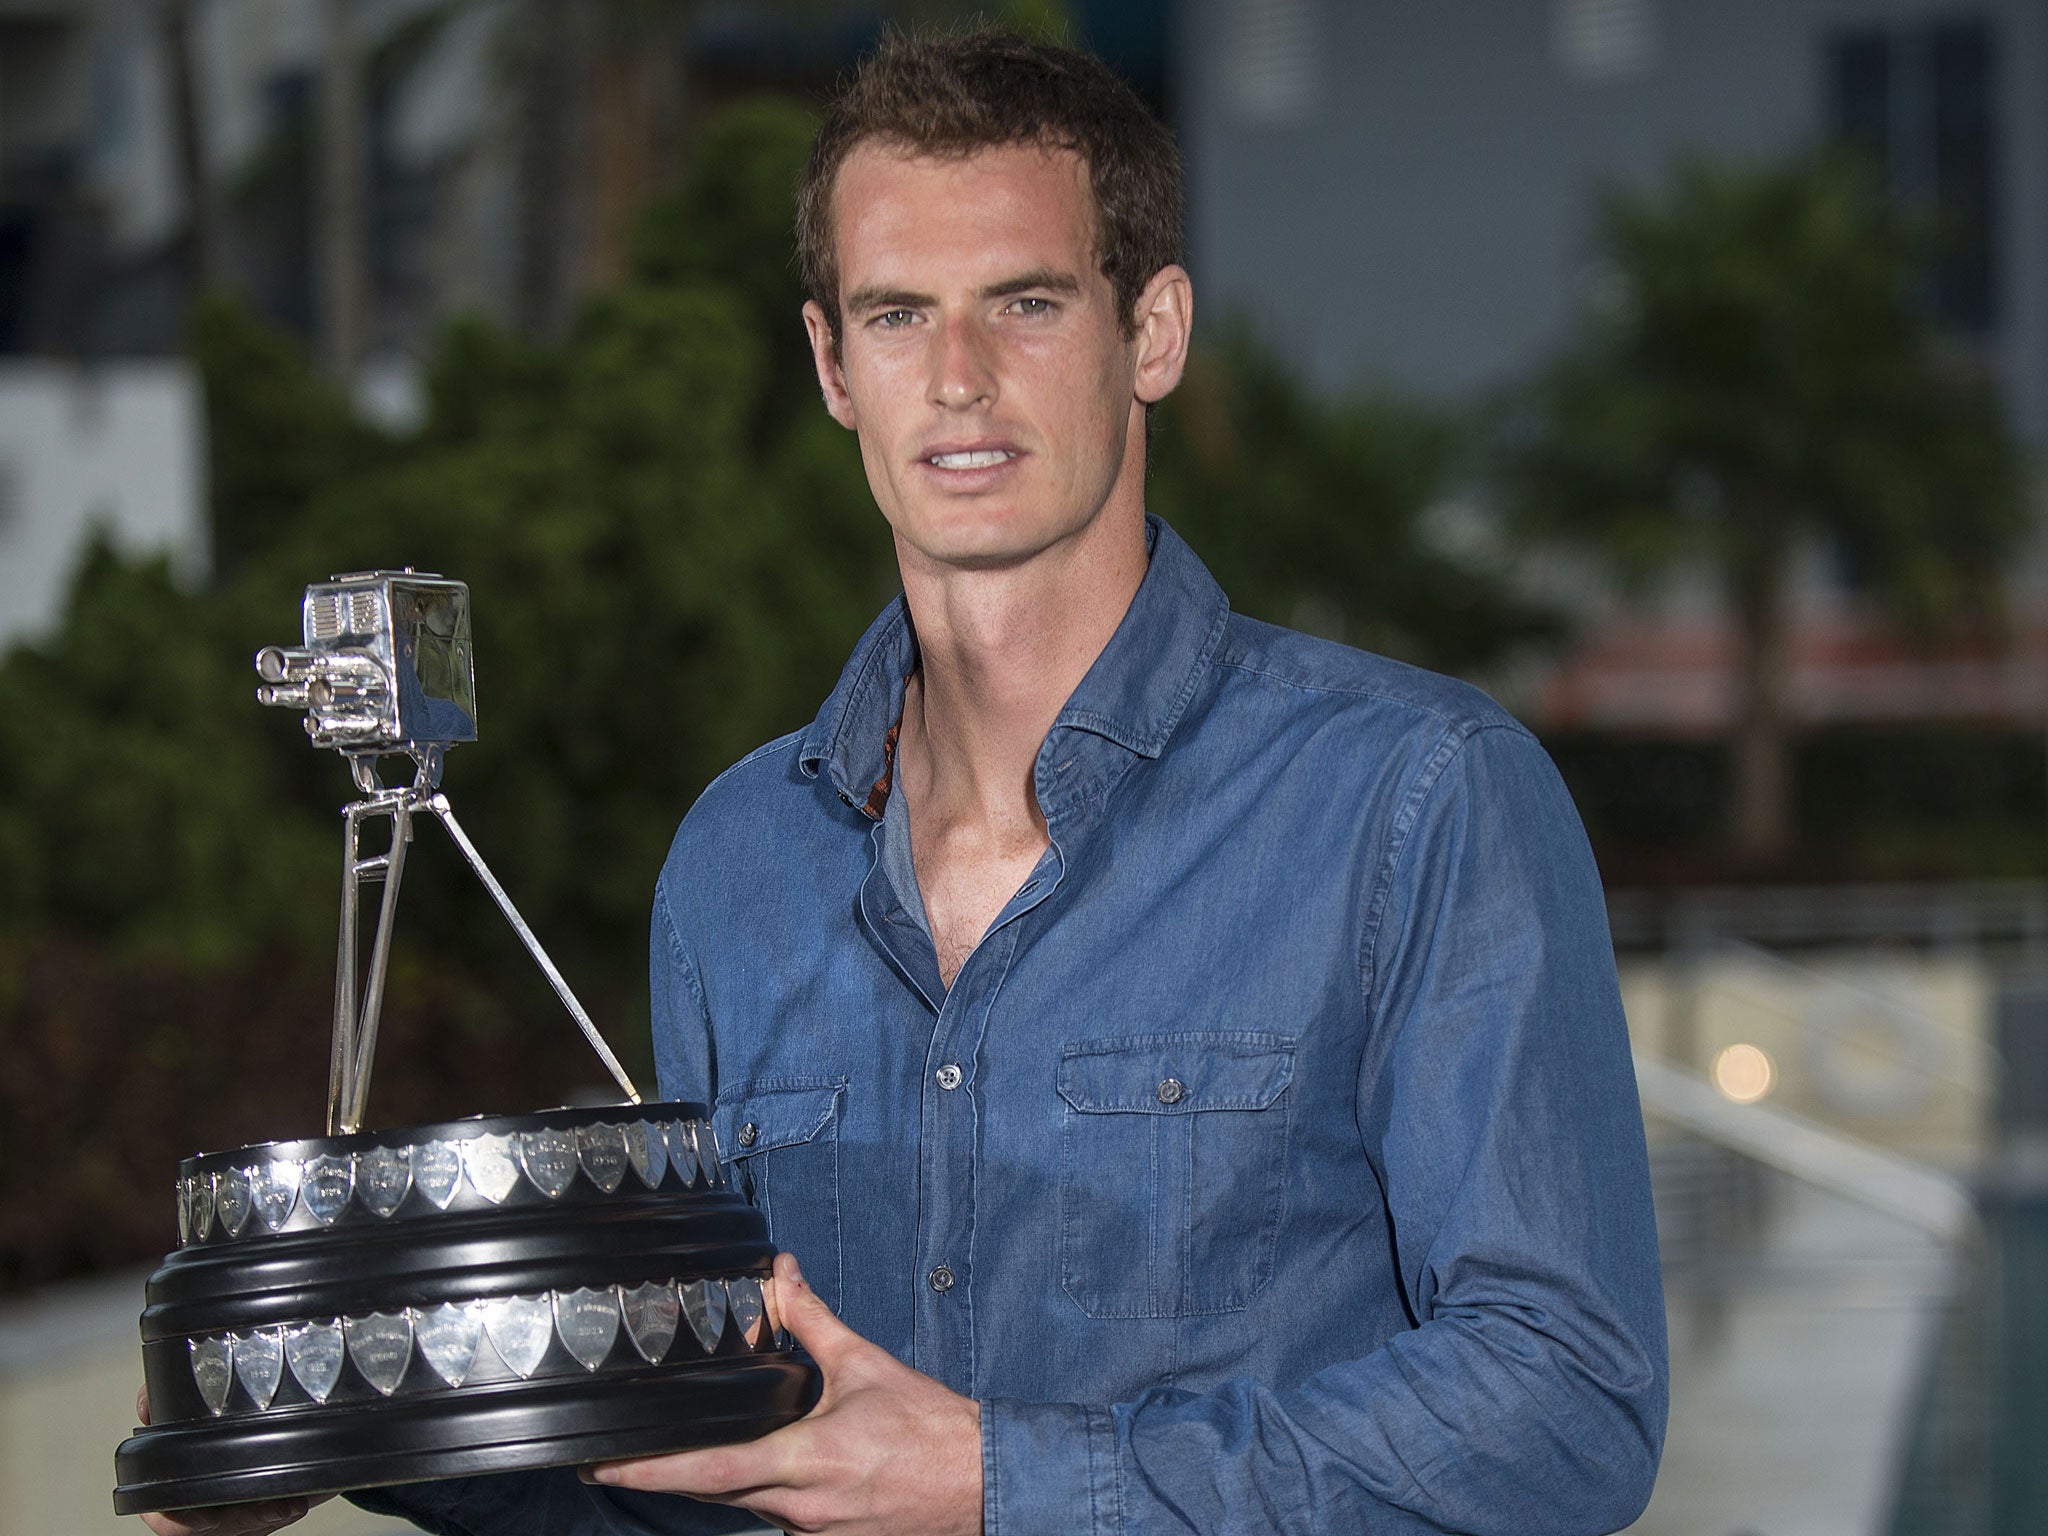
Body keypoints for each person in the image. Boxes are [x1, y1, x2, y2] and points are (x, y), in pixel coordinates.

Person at [143, 28, 1666, 1536]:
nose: (958, 377)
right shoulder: (739, 862)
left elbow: (1565, 1404)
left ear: (1155, 333)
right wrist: (335, 1421)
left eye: (1026, 302)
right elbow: (737, 1462)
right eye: (896, 315)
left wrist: (1006, 1482)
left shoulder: (1415, 800)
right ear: (831, 364)